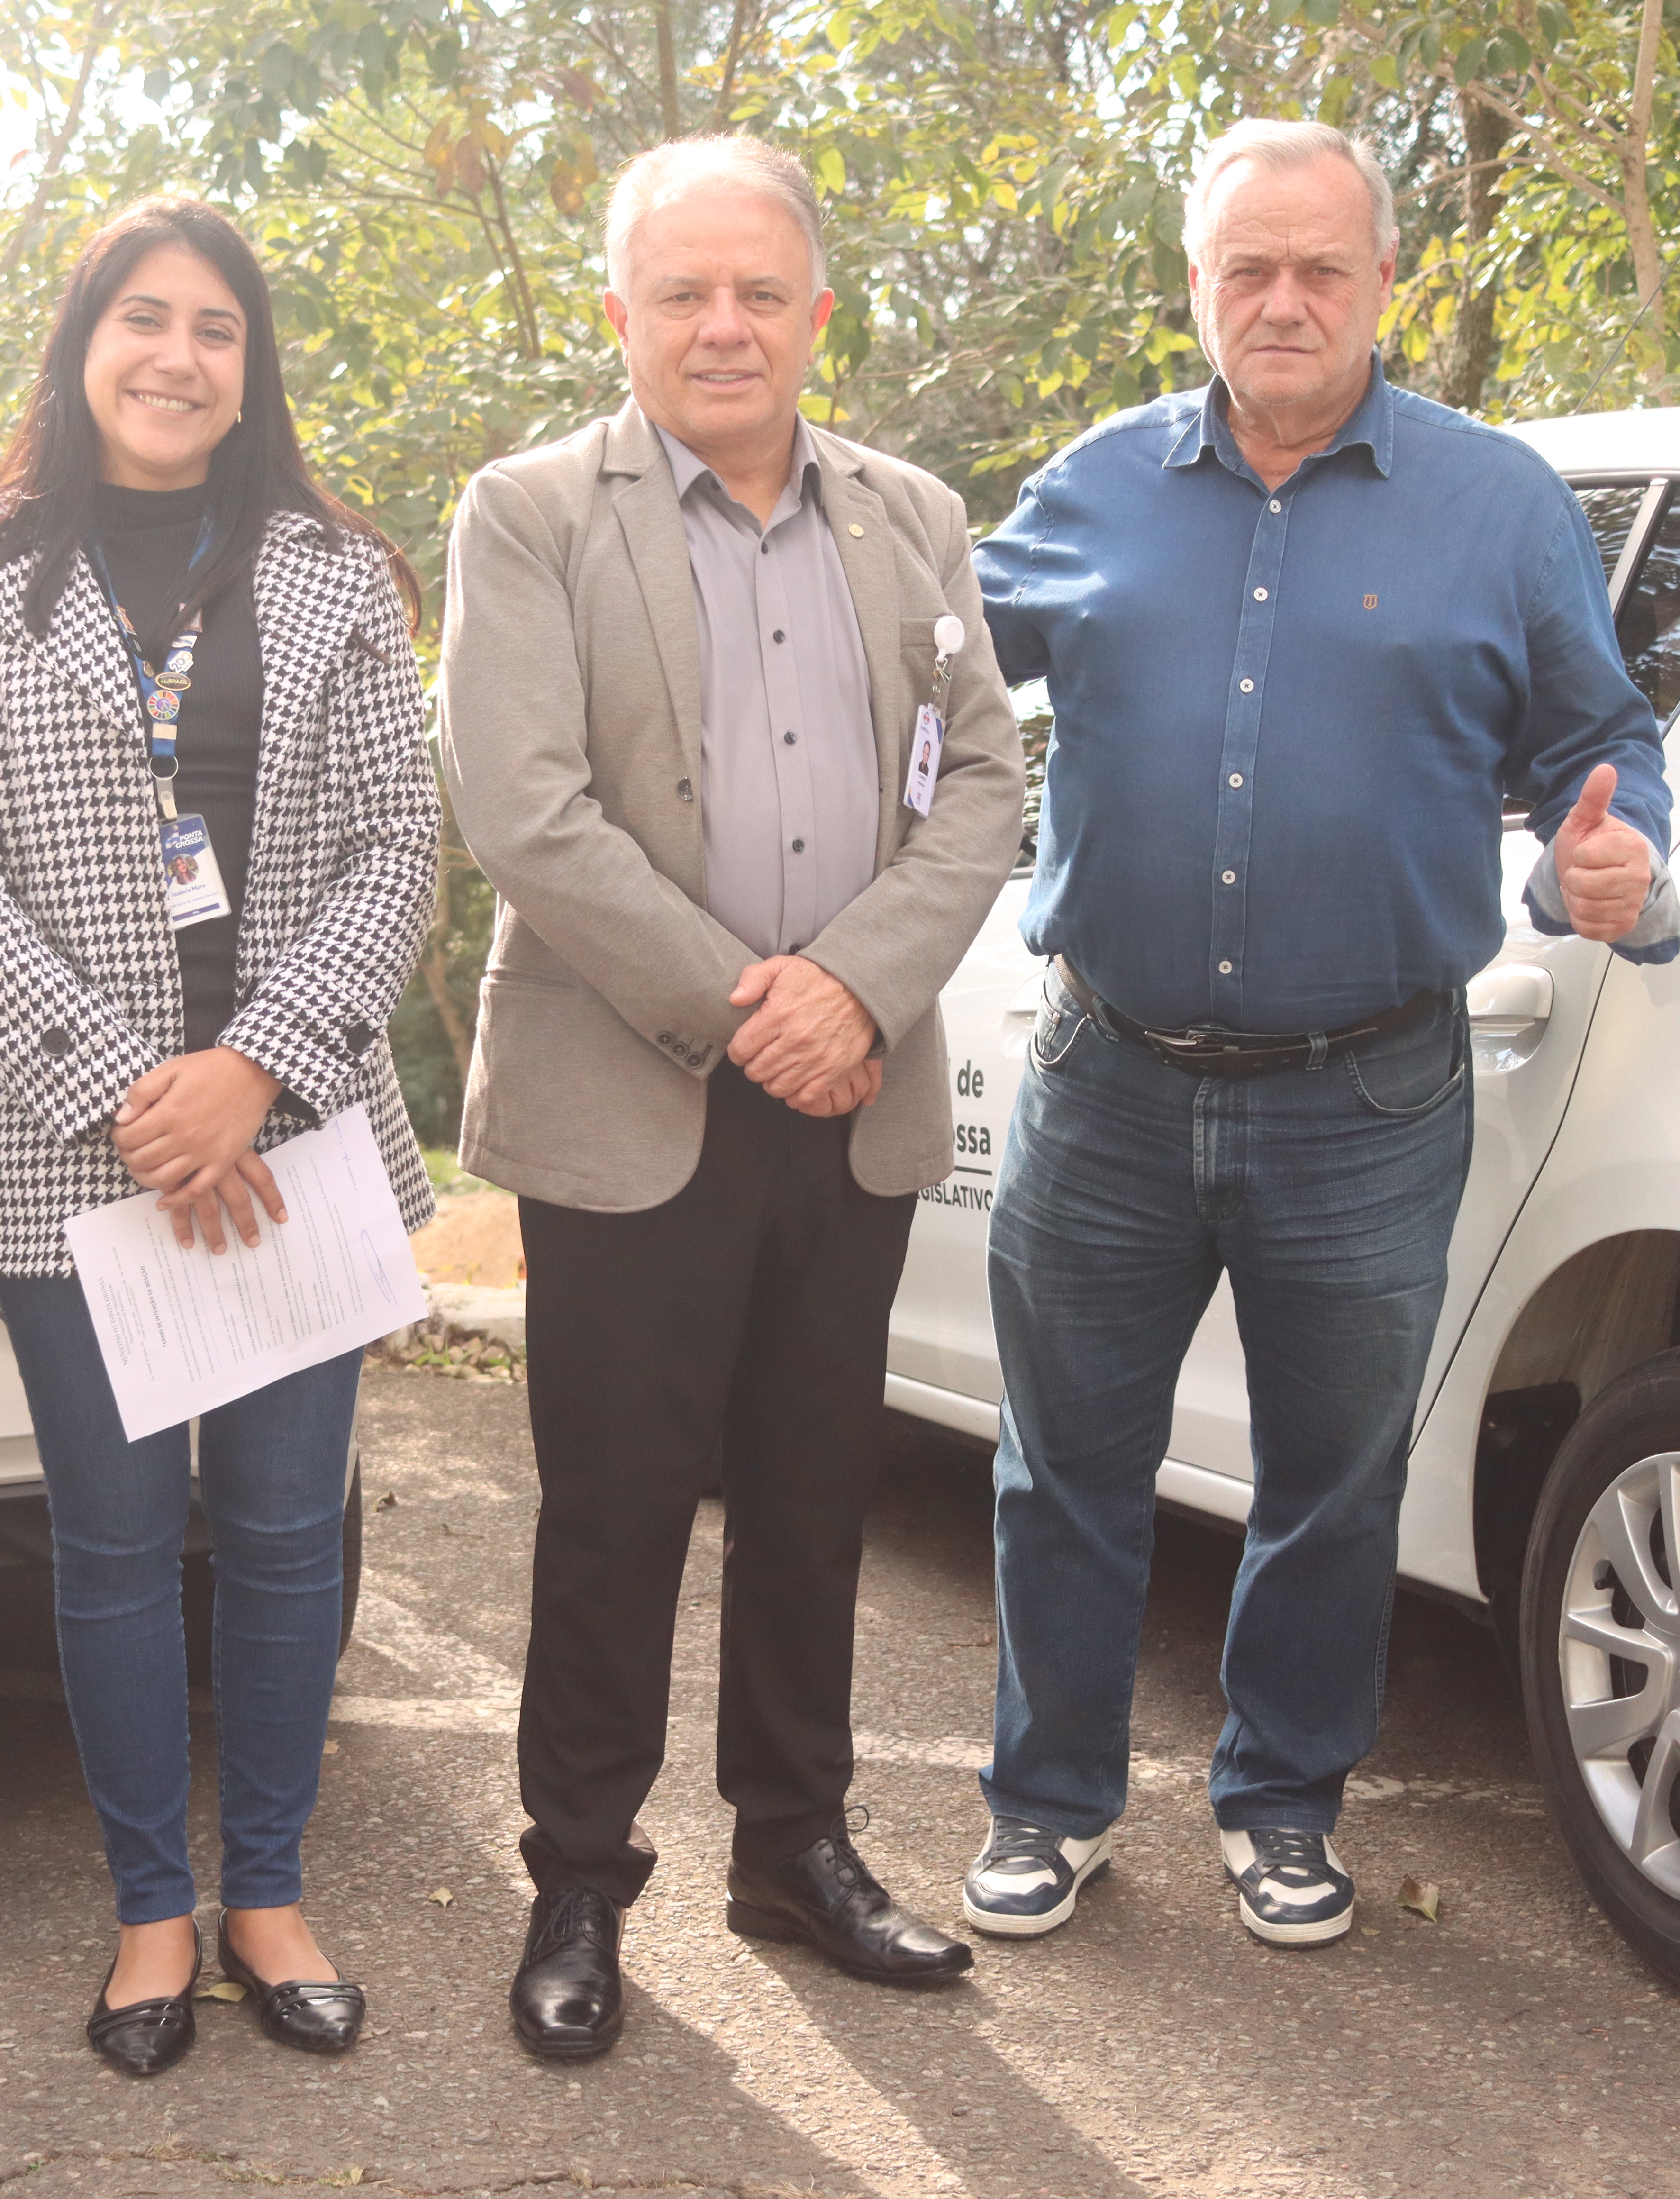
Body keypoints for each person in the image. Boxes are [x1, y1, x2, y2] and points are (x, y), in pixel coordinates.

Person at [962, 119, 1680, 1952]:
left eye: (1322, 270)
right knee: (1064, 1474)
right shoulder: (1090, 491)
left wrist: (1617, 858)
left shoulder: (1498, 504)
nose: (1284, 303)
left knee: (1333, 1488)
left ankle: (1283, 1805)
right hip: (1103, 1080)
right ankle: (1049, 1805)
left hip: (1369, 1094)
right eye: (1246, 270)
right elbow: (921, 677)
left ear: (1383, 285)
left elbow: (1603, 745)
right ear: (1196, 285)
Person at [437, 136, 1026, 2059]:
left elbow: (986, 787)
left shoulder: (914, 516)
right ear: (620, 313)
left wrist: (852, 989)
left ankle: (799, 1847)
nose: (722, 325)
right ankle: (581, 1882)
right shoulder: (530, 514)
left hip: (850, 1090)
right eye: (682, 292)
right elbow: (523, 804)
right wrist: (748, 1001)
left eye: (759, 291)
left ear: (815, 314)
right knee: (611, 1516)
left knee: (812, 1500)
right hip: (636, 1095)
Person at [0, 197, 438, 2078]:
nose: (178, 355)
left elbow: (397, 852)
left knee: (285, 1540)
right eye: (144, 318)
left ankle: (269, 1891)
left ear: (249, 363)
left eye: (216, 326)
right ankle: (150, 1910)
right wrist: (134, 1092)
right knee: (116, 1546)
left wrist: (256, 1068)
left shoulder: (331, 574)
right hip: (78, 1152)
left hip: (297, 1140)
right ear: (83, 340)